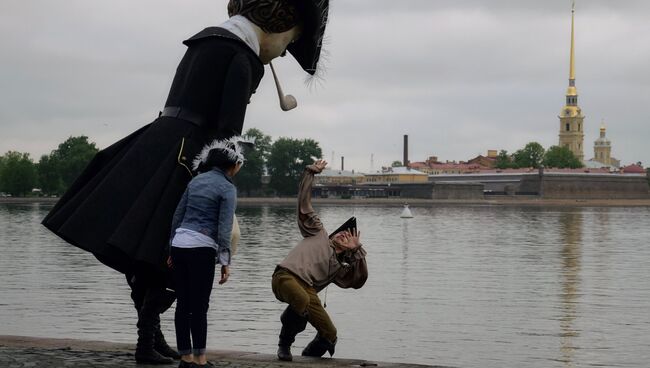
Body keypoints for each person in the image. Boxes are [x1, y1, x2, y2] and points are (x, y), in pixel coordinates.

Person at [41, 0, 330, 364]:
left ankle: (150, 339)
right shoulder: (243, 60)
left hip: (158, 144)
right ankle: (148, 343)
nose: (283, 52)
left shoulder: (204, 42)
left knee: (149, 255)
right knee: (179, 261)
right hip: (193, 161)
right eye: (288, 43)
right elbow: (228, 135)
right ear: (276, 28)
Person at [272, 160, 368, 361]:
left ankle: (309, 358)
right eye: (341, 233)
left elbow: (358, 281)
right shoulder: (318, 233)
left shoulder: (339, 268)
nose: (343, 235)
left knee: (330, 335)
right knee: (302, 299)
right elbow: (304, 204)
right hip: (286, 276)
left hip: (307, 291)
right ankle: (284, 343)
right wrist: (309, 174)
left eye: (348, 236)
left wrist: (358, 252)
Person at [169, 137, 243, 368]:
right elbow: (224, 228)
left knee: (183, 304)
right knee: (200, 306)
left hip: (180, 244)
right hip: (202, 249)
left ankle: (185, 357)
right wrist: (225, 262)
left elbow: (177, 216)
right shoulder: (227, 188)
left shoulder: (196, 181)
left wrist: (171, 248)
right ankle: (200, 359)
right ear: (233, 165)